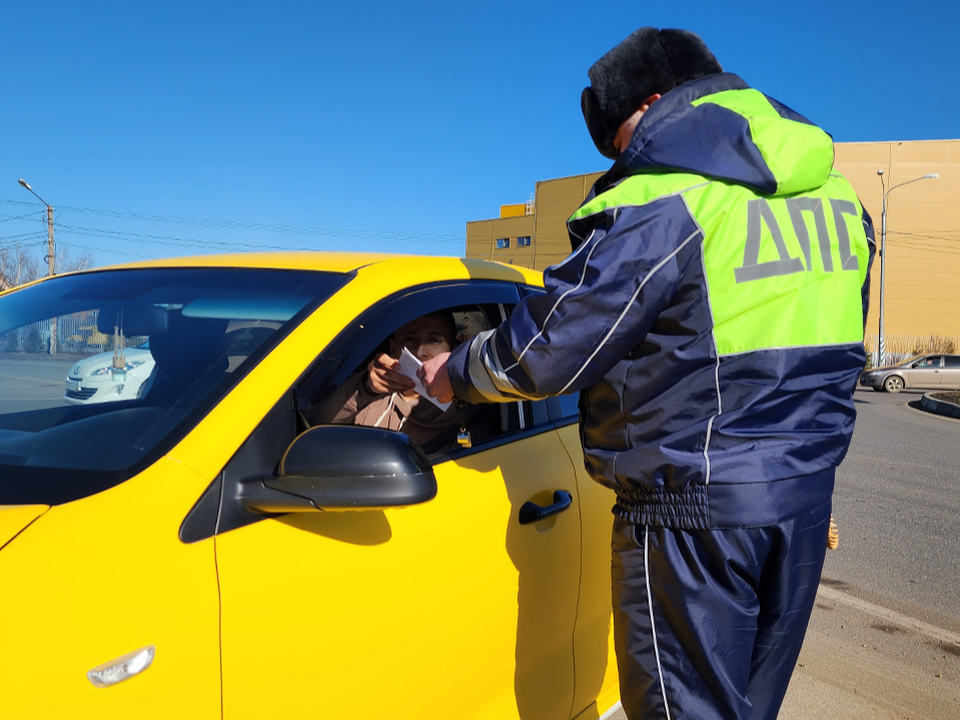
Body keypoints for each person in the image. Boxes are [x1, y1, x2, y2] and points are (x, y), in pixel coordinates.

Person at [420, 27, 875, 720]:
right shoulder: (841, 203)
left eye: (620, 138)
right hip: (803, 499)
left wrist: (452, 371)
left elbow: (547, 348)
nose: (625, 158)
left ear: (657, 101)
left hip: (693, 512)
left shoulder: (671, 200)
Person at [313, 310, 492, 454]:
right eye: (410, 339)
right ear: (392, 346)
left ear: (452, 350)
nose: (420, 351)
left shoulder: (470, 413)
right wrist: (364, 388)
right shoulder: (370, 391)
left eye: (434, 340)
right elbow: (316, 428)